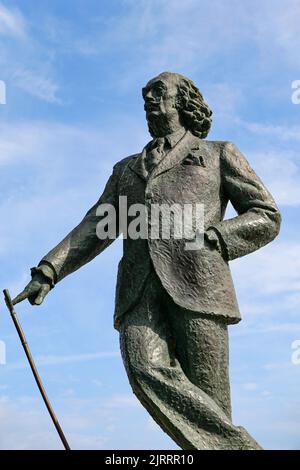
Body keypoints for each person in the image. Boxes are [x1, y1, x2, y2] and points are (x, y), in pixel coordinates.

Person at [13, 72, 281, 449]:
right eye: (145, 95)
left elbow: (266, 214)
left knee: (211, 406)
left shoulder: (219, 153)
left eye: (158, 92)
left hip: (200, 285)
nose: (149, 100)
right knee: (143, 367)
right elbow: (96, 225)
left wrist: (218, 236)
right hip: (139, 291)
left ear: (182, 102)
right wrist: (50, 269)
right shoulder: (126, 169)